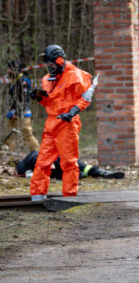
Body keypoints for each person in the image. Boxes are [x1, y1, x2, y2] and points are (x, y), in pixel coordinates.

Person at [29, 45, 95, 200]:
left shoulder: (76, 76)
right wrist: (40, 98)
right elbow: (50, 103)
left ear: (59, 60)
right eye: (47, 64)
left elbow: (86, 98)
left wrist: (73, 111)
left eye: (51, 64)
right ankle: (37, 196)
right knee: (42, 162)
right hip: (51, 123)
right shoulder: (47, 79)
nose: (49, 67)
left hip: (67, 124)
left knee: (68, 162)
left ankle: (70, 196)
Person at [3, 60, 40, 153]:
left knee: (27, 134)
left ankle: (38, 153)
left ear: (14, 69)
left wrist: (18, 112)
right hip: (12, 112)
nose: (8, 71)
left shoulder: (24, 81)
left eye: (9, 69)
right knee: (10, 134)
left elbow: (25, 99)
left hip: (23, 113)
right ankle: (9, 154)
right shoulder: (13, 81)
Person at [17, 150, 124, 180]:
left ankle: (100, 173)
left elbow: (22, 169)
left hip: (57, 163)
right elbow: (21, 169)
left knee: (80, 167)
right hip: (57, 164)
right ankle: (99, 172)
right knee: (78, 167)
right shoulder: (32, 159)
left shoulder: (58, 159)